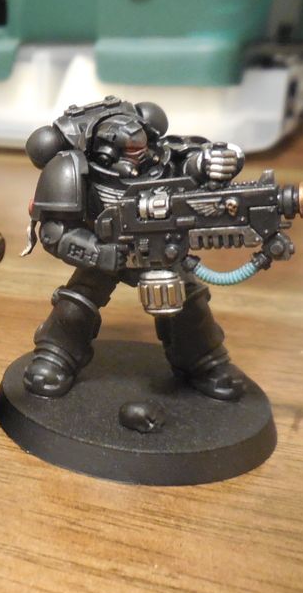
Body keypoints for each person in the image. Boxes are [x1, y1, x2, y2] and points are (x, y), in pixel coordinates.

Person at [22, 96, 247, 400]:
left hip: (162, 250)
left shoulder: (161, 158)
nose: (139, 155)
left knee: (189, 304)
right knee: (76, 303)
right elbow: (54, 234)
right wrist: (99, 253)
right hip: (106, 252)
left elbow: (191, 164)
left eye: (141, 146)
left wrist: (209, 163)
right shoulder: (71, 169)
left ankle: (206, 362)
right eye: (129, 151)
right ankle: (55, 356)